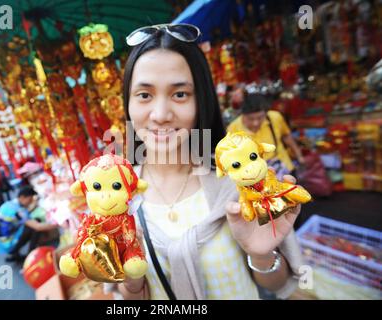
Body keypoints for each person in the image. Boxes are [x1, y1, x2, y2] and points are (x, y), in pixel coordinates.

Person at [103, 23, 305, 300]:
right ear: (128, 103)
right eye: (145, 95)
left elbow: (278, 286)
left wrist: (261, 255)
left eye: (180, 94)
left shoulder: (238, 179)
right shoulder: (115, 196)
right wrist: (132, 281)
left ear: (201, 102)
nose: (160, 113)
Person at [227, 93, 305, 176]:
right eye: (251, 118)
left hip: (284, 169)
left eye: (260, 117)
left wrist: (299, 156)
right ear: (243, 115)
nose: (255, 123)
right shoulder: (233, 129)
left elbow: (286, 136)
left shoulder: (275, 117)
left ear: (266, 113)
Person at [0, 186, 57, 262]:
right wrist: (59, 223)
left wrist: (34, 204)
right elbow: (38, 227)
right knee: (35, 224)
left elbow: (24, 214)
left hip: (2, 243)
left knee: (30, 222)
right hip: (9, 245)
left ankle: (15, 254)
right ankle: (31, 256)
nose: (31, 202)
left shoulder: (10, 204)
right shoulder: (19, 211)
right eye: (30, 199)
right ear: (22, 197)